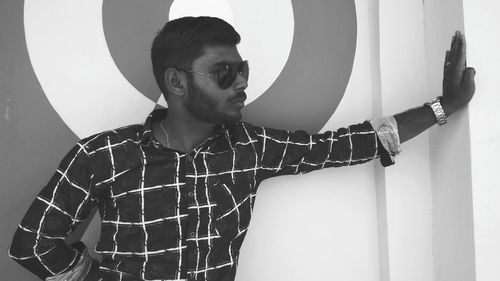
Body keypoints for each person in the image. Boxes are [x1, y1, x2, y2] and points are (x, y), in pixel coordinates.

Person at [9, 16, 475, 281]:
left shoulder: (250, 147)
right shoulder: (103, 156)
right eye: (224, 73)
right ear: (176, 82)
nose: (242, 83)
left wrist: (443, 107)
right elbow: (31, 244)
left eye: (243, 69)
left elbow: (349, 145)